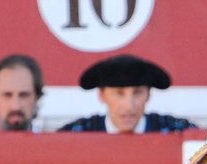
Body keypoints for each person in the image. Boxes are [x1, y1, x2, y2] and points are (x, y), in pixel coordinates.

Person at [59, 54, 195, 134]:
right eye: (119, 93)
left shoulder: (175, 131)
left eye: (137, 93)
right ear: (102, 95)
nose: (129, 106)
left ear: (148, 95)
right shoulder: (78, 133)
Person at [0, 53, 43, 132]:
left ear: (37, 97)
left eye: (24, 95)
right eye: (7, 95)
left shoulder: (54, 144)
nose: (16, 106)